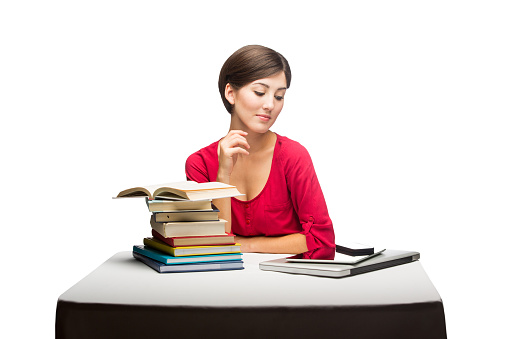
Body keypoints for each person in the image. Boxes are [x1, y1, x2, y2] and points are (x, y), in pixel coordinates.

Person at [185, 45, 335, 255]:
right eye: (260, 92)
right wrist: (222, 176)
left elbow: (321, 240)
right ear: (230, 93)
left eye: (279, 96)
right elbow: (212, 246)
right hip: (223, 284)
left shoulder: (293, 156)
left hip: (291, 283)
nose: (270, 105)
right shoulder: (199, 164)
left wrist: (246, 245)